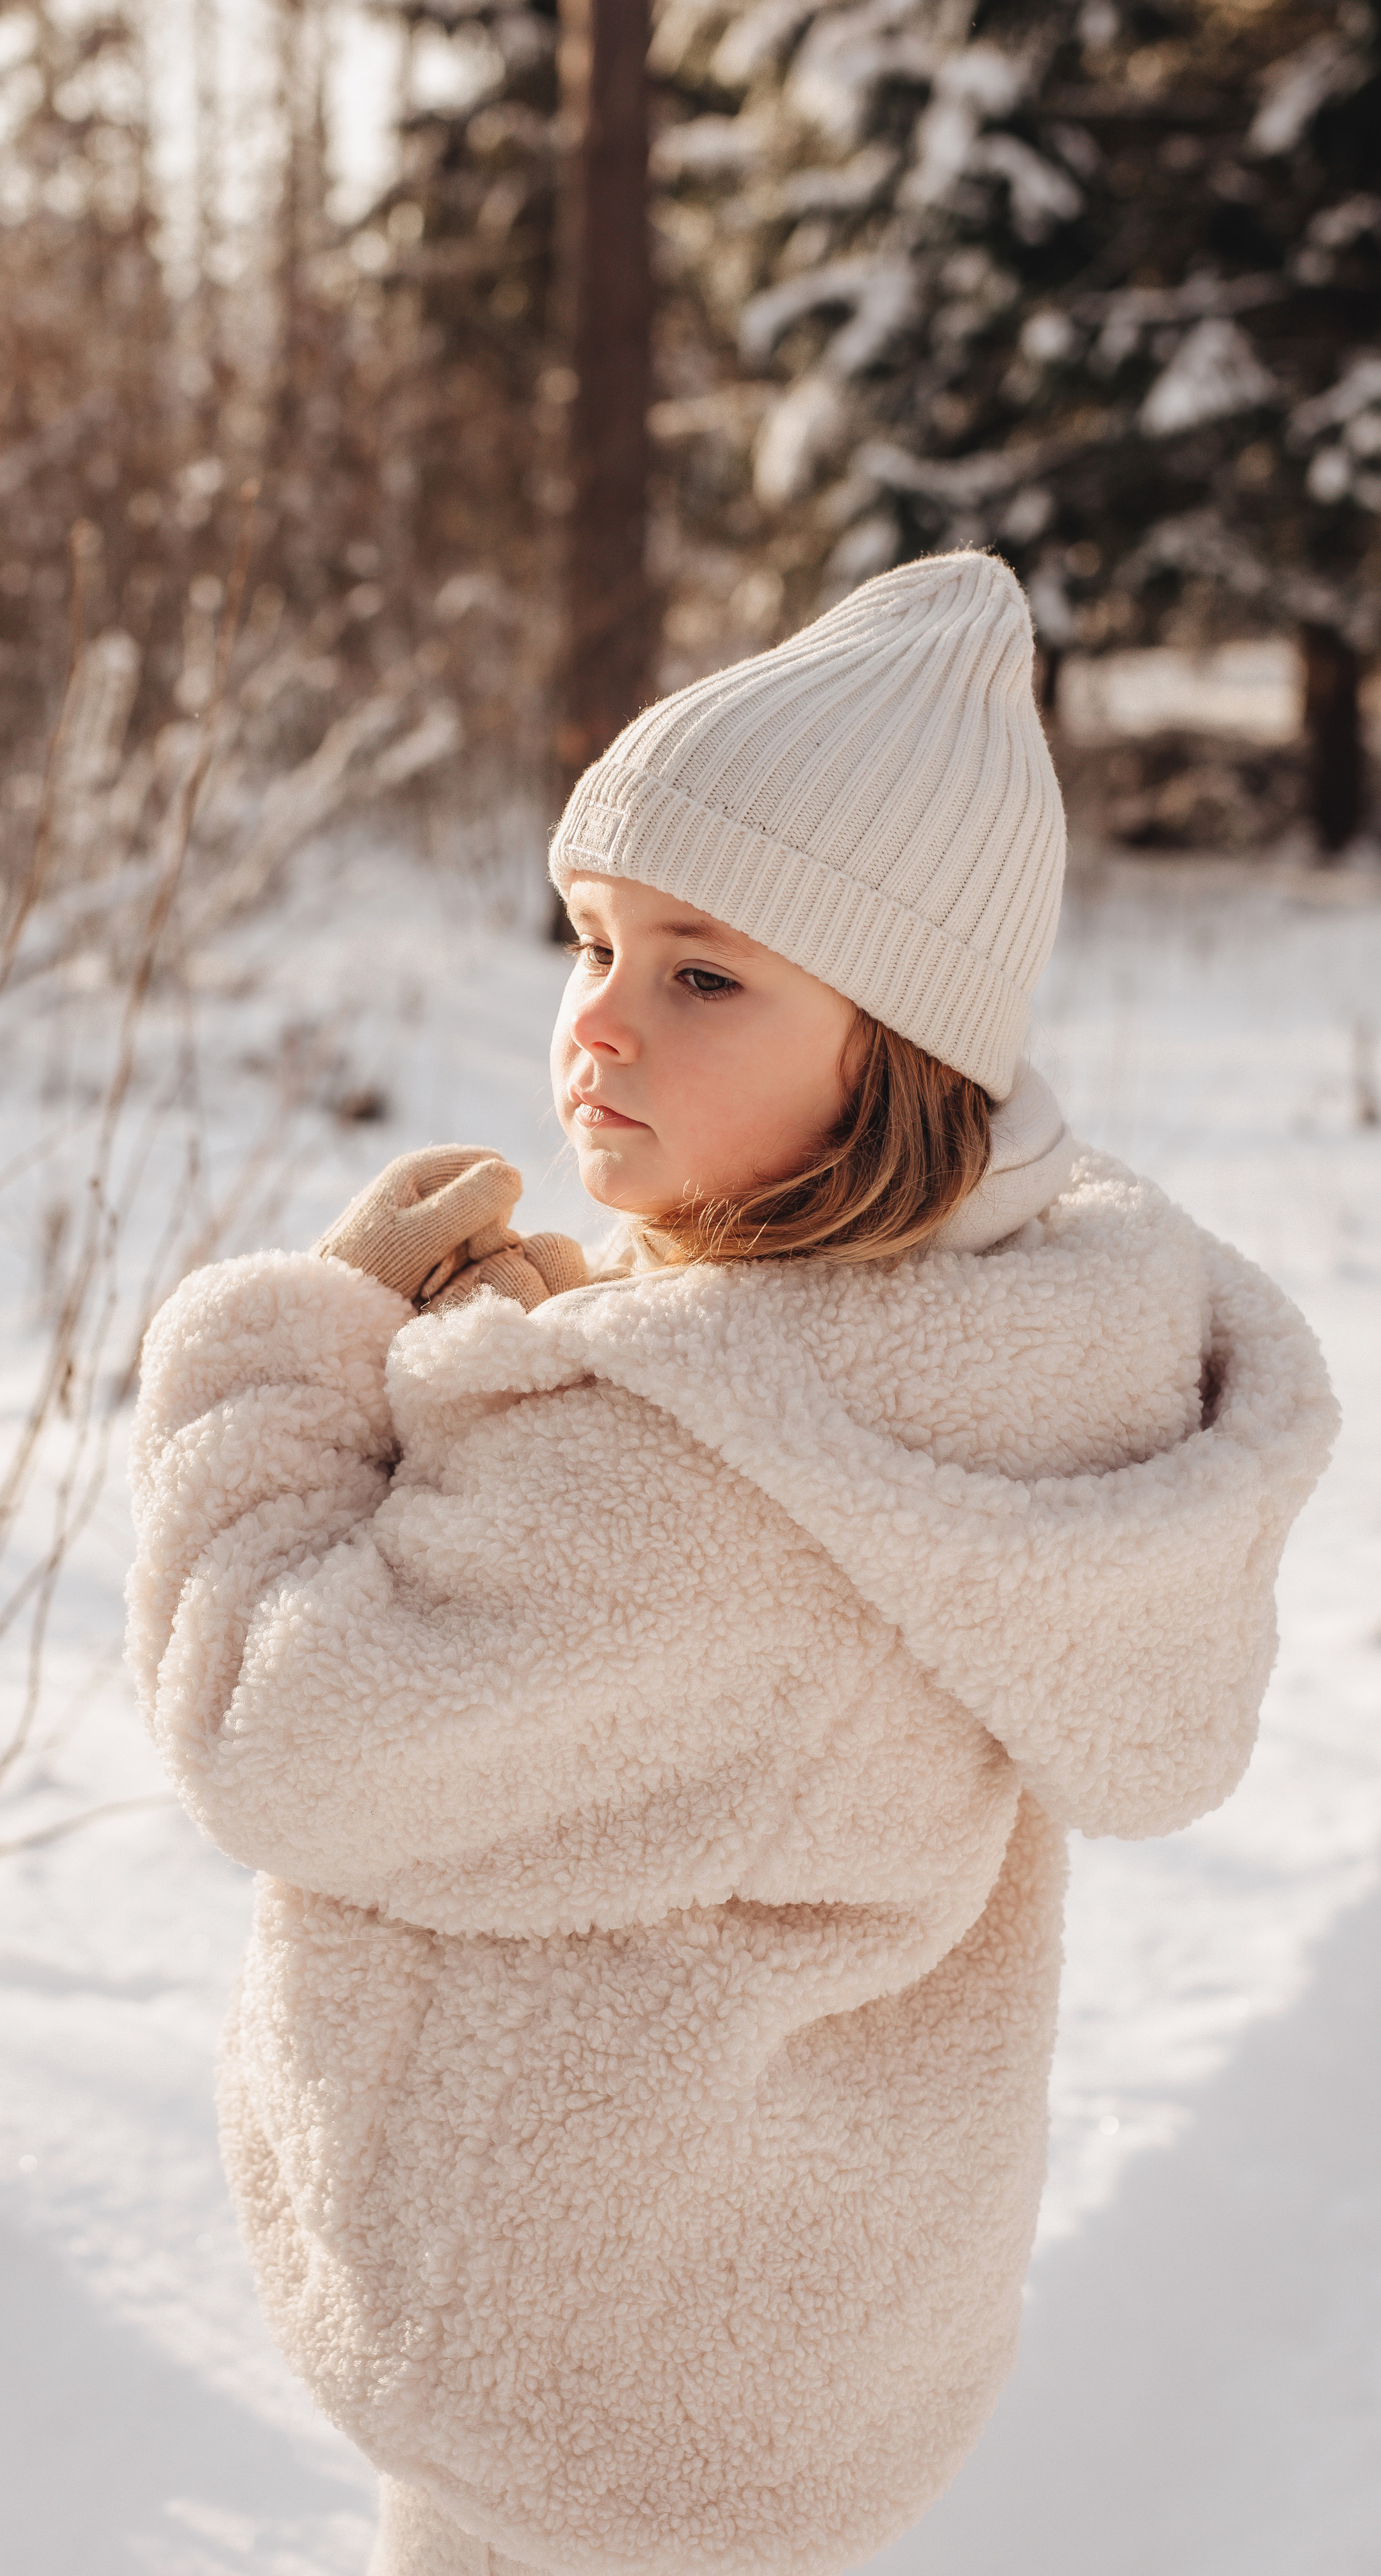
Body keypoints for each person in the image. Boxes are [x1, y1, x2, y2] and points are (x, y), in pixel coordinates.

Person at [125, 553, 1336, 2576]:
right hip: (762, 2360)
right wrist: (546, 1372)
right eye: (591, 939)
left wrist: (296, 1354)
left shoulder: (698, 1470)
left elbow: (280, 1731)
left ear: (900, 1050)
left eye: (704, 977)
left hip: (568, 2394)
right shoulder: (999, 1361)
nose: (596, 1021)